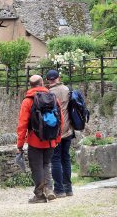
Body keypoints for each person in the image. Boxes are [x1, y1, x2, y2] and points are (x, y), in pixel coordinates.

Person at [16, 75, 63, 204]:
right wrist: (57, 138)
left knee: (37, 167)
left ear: (30, 85)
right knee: (46, 164)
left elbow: (22, 124)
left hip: (34, 139)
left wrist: (20, 144)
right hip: (50, 139)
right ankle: (49, 189)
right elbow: (60, 119)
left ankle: (39, 195)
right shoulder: (53, 98)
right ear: (42, 83)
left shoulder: (28, 101)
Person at [46, 70, 74, 198]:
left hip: (55, 131)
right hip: (68, 129)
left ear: (48, 80)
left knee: (55, 159)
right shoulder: (67, 89)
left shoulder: (49, 93)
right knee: (66, 158)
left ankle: (59, 189)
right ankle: (68, 188)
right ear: (59, 78)